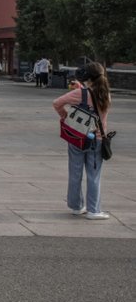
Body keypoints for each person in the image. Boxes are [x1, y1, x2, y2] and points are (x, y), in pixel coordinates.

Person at [52, 63, 112, 220]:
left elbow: (57, 103)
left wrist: (65, 116)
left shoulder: (80, 93)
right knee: (94, 175)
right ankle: (94, 210)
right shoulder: (106, 94)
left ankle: (76, 206)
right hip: (97, 139)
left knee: (75, 172)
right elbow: (93, 100)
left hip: (77, 138)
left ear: (87, 77)